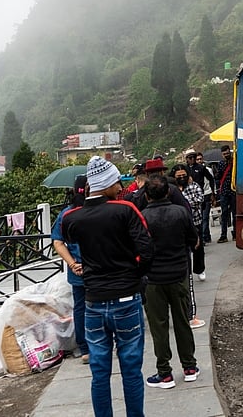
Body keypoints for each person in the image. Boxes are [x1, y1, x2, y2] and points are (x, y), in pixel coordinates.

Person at [62, 156, 154, 417]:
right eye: (117, 181)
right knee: (131, 368)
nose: (119, 186)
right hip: (126, 299)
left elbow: (70, 240)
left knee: (99, 371)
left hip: (93, 302)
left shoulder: (72, 219)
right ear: (109, 182)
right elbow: (147, 251)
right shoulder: (126, 210)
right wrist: (133, 277)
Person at [141, 174, 200, 390]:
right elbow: (194, 241)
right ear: (168, 192)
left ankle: (165, 374)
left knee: (159, 327)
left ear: (147, 196)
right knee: (183, 322)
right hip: (178, 275)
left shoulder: (142, 217)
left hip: (153, 280)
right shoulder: (181, 212)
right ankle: (190, 367)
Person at [50, 185, 89, 364]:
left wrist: (73, 264)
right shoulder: (96, 209)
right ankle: (104, 342)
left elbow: (58, 242)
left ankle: (85, 348)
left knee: (81, 307)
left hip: (78, 270)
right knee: (101, 304)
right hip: (100, 267)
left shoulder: (65, 214)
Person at [217, 144, 235, 243]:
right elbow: (219, 176)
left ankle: (235, 233)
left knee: (235, 212)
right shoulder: (221, 163)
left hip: (233, 189)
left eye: (228, 153)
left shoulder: (235, 161)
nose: (226, 155)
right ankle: (223, 235)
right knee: (224, 214)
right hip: (224, 190)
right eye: (224, 154)